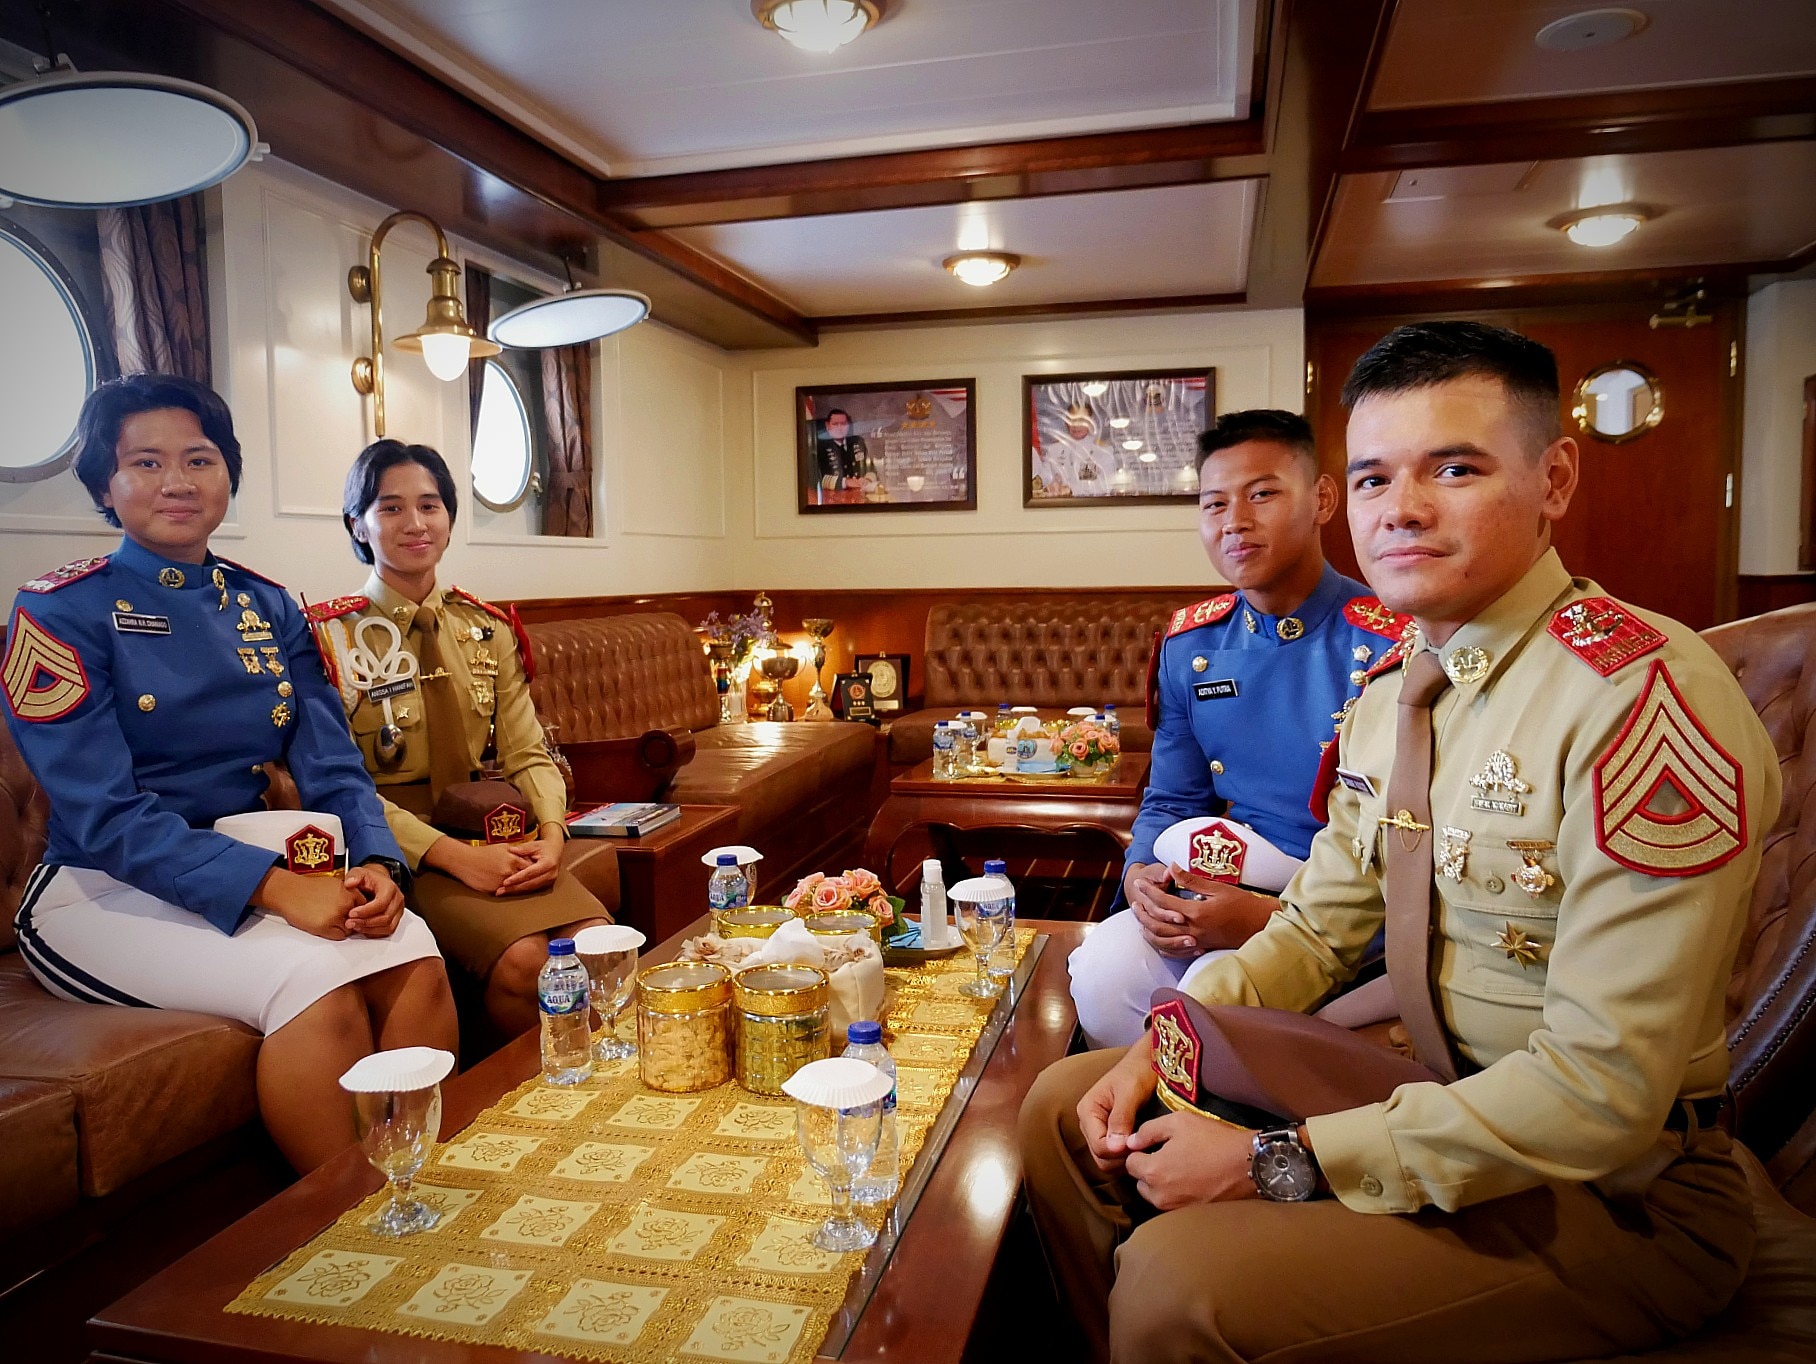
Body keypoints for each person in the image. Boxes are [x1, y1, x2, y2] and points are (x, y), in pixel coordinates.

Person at [1019, 321, 1780, 1363]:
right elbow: (1316, 928)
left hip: (1615, 1193)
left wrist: (1271, 1163)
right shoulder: (1392, 690)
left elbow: (1597, 1093)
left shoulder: (1641, 698)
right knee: (1066, 1101)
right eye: (1373, 477)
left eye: (1454, 468)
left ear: (1554, 477)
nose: (1401, 508)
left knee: (1175, 1286)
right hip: (1430, 1086)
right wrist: (1173, 1035)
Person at [2, 374, 457, 1174]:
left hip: (255, 867)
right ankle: (345, 1231)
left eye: (200, 459)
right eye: (145, 462)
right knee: (313, 979)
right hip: (100, 889)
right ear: (106, 486)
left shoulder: (269, 606)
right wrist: (277, 888)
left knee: (412, 949)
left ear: (227, 476)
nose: (176, 482)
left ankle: (416, 1184)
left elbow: (332, 764)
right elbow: (104, 815)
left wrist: (380, 863)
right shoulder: (59, 611)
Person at [1069, 409, 1409, 1047]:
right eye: (1213, 503)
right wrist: (1141, 873)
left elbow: (1415, 851)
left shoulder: (1394, 640)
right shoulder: (1192, 643)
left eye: (1262, 495)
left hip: (1348, 910)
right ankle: (1132, 1129)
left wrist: (1270, 918)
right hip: (1227, 879)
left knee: (1209, 1007)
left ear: (1322, 500)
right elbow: (1172, 799)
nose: (1235, 522)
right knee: (1102, 974)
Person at [313, 439, 608, 1039]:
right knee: (529, 962)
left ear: (449, 518)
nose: (415, 523)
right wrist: (456, 858)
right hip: (397, 847)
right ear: (358, 525)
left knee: (597, 949)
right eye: (390, 508)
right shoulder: (328, 639)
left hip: (492, 829)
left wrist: (554, 836)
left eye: (430, 505)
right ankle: (525, 1106)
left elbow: (528, 753)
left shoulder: (485, 628)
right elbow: (339, 788)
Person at [813, 408, 876, 496]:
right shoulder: (820, 447)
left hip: (859, 494)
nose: (840, 428)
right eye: (835, 424)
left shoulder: (857, 442)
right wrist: (845, 482)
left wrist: (867, 480)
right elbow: (818, 479)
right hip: (834, 498)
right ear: (827, 426)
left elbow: (871, 469)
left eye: (843, 424)